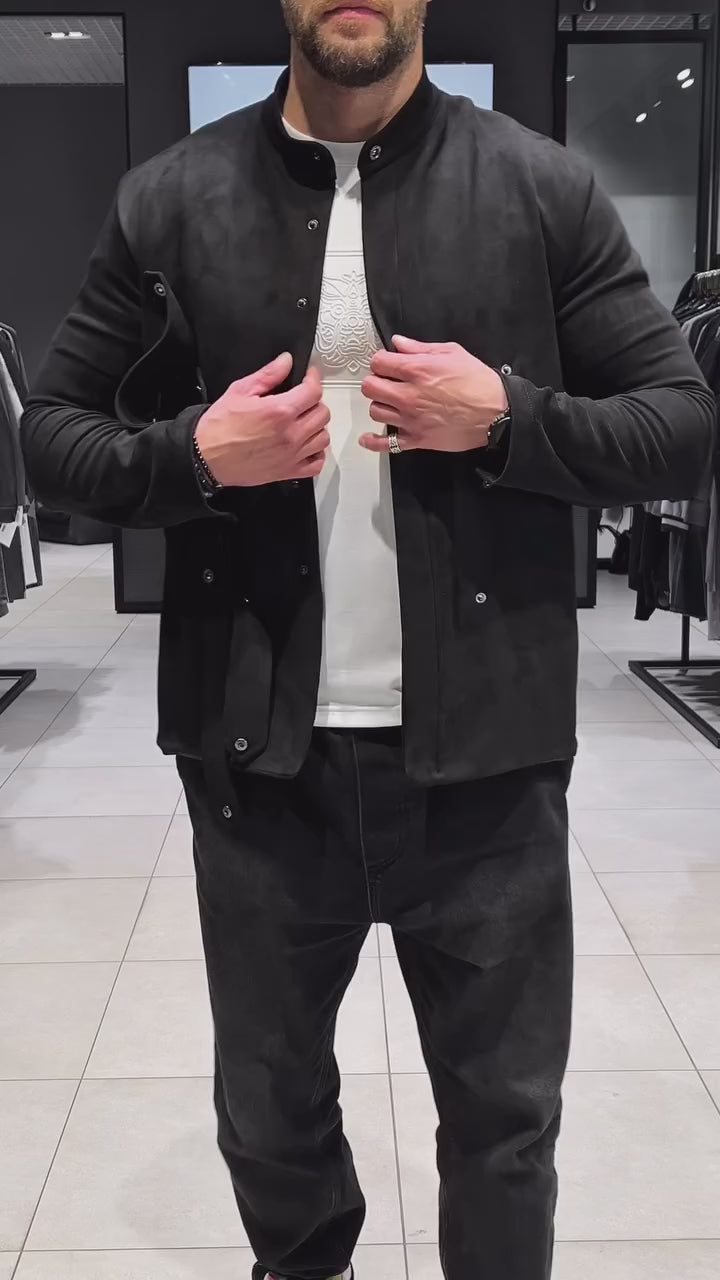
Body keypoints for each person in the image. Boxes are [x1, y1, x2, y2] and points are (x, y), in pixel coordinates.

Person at [22, 1, 715, 1277]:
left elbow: (680, 427)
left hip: (490, 761)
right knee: (268, 1115)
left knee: (505, 1126)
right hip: (257, 762)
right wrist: (192, 457)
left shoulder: (540, 188)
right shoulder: (170, 197)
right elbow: (50, 435)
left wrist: (507, 417)